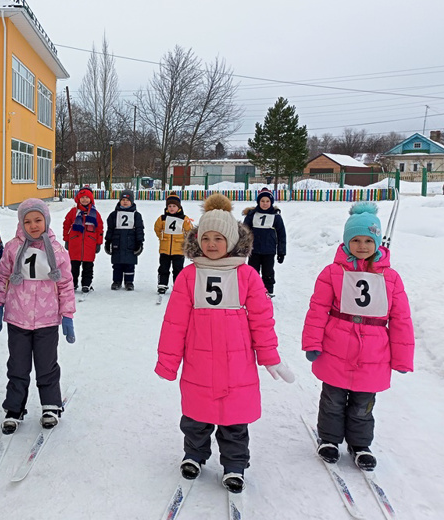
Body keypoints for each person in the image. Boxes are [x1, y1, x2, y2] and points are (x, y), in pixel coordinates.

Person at [155, 193, 294, 493]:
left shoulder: (246, 275)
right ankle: (194, 454)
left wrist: (269, 356)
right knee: (195, 415)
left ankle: (234, 464)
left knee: (235, 419)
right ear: (197, 241)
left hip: (237, 362)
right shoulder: (189, 276)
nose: (212, 244)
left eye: (219, 238)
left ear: (231, 241)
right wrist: (168, 361)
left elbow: (261, 319)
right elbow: (175, 322)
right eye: (206, 238)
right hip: (198, 361)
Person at [302, 202, 414, 470]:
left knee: (363, 404)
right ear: (346, 242)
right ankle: (329, 439)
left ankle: (360, 444)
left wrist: (402, 357)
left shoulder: (391, 278)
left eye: (367, 240)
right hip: (336, 346)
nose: (362, 246)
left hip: (374, 352)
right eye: (355, 240)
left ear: (377, 242)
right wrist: (312, 342)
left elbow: (401, 319)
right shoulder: (332, 273)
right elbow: (317, 309)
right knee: (332, 399)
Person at [0, 198, 76, 433]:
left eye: (38, 220)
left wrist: (67, 314)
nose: (33, 225)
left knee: (46, 365)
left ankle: (50, 405)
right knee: (17, 366)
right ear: (21, 222)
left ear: (46, 220)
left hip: (47, 319)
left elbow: (66, 283)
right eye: (27, 221)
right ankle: (14, 408)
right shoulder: (12, 247)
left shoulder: (57, 251)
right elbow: (1, 276)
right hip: (18, 318)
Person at [242, 188, 287, 296]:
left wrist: (281, 252)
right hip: (254, 250)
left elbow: (281, 235)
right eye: (262, 201)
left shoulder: (276, 217)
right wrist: (242, 247)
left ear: (271, 202)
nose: (265, 203)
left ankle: (268, 291)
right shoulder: (252, 215)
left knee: (268, 272)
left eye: (267, 201)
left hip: (269, 250)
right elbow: (244, 232)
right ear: (258, 202)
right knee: (253, 272)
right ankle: (252, 292)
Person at [62, 187, 104, 293]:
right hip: (75, 243)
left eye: (87, 197)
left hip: (90, 244)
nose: (84, 200)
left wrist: (99, 242)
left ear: (91, 199)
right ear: (78, 199)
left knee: (88, 267)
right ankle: (73, 284)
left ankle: (86, 284)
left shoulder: (95, 213)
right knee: (73, 267)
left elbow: (99, 228)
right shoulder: (73, 212)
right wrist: (66, 239)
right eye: (82, 197)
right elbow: (66, 225)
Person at [104, 189, 145, 290]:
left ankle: (129, 282)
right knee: (117, 264)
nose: (125, 201)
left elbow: (140, 229)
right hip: (117, 242)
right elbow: (110, 229)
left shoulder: (136, 215)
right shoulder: (113, 215)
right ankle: (116, 281)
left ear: (132, 201)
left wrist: (140, 242)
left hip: (130, 243)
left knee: (130, 264)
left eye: (127, 199)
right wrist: (107, 241)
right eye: (123, 199)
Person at [154, 194, 193, 296]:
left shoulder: (184, 218)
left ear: (178, 207)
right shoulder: (162, 218)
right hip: (165, 249)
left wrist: (186, 240)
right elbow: (157, 228)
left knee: (178, 269)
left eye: (174, 206)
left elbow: (190, 231)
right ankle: (162, 284)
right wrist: (162, 237)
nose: (171, 208)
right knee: (163, 268)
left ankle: (178, 285)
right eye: (169, 206)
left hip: (179, 250)